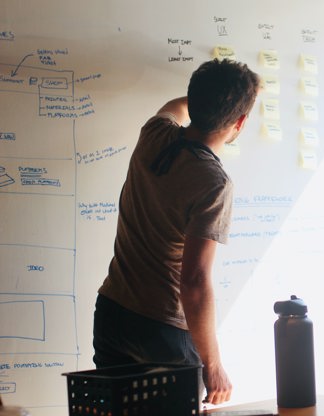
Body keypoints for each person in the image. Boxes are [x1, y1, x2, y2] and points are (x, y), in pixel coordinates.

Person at [92, 58, 260, 405]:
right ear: (239, 123)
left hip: (113, 314)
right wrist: (213, 364)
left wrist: (201, 100)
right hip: (163, 331)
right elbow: (195, 282)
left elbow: (175, 107)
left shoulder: (154, 134)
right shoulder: (213, 183)